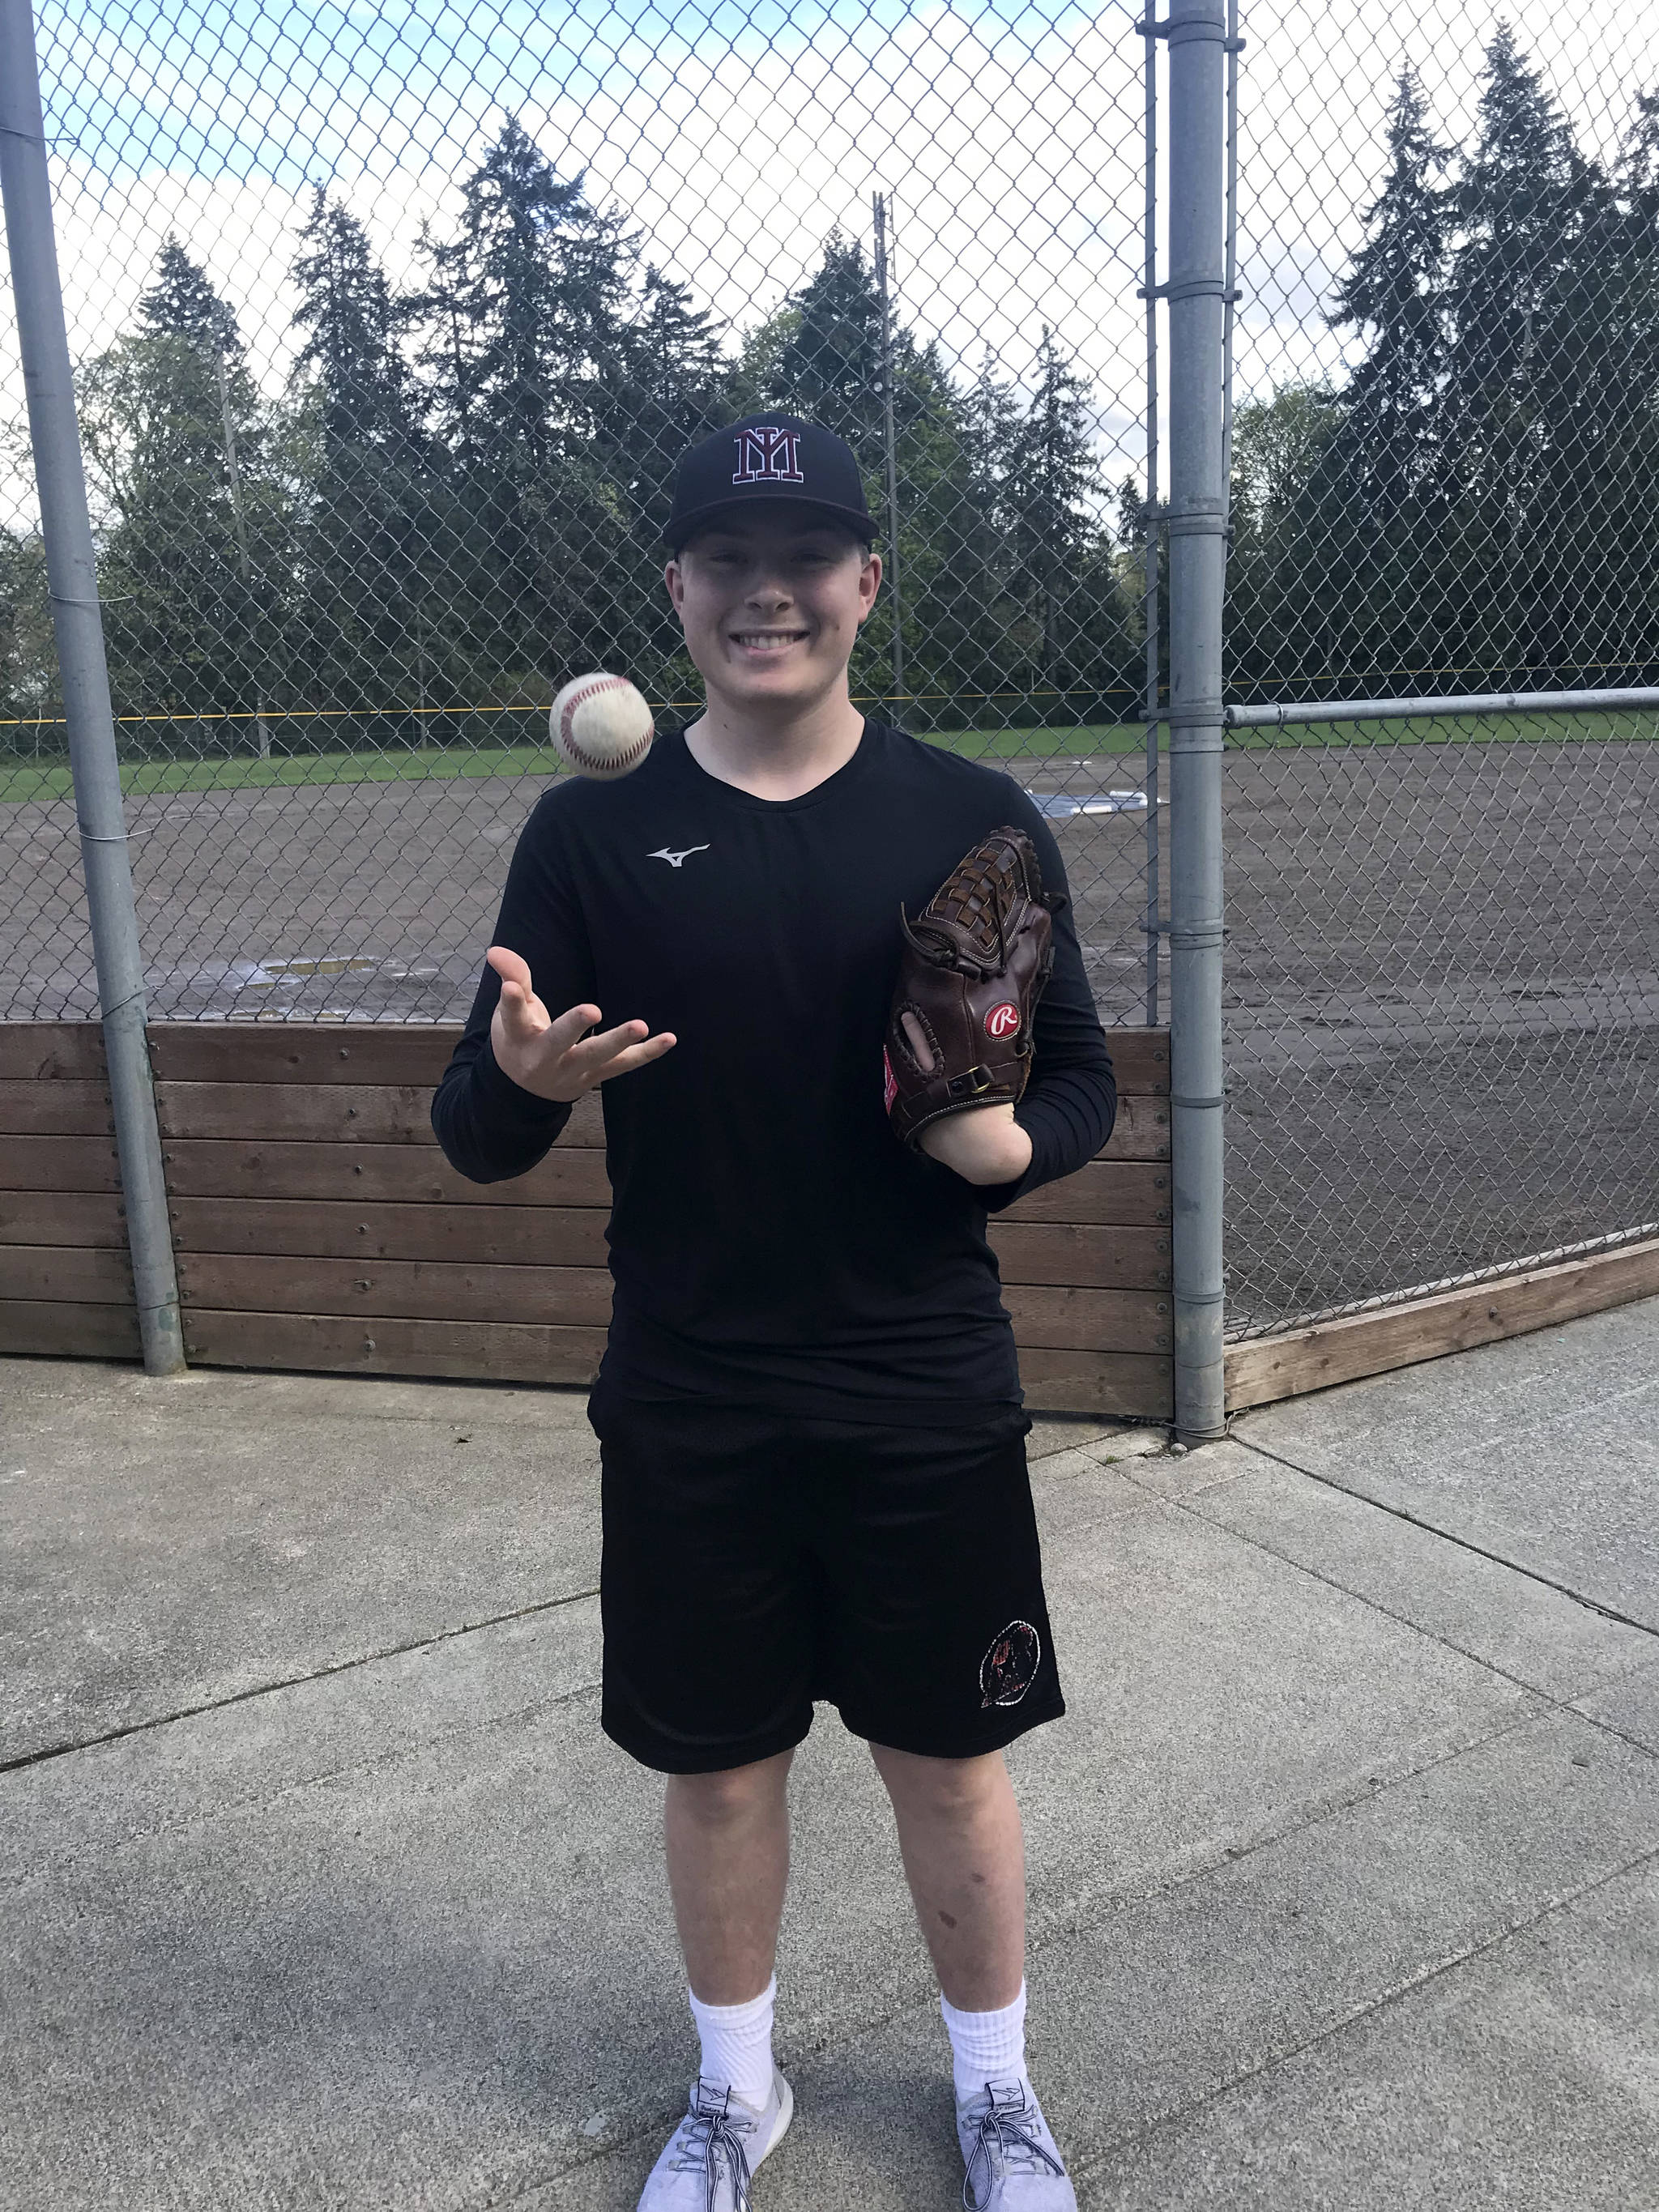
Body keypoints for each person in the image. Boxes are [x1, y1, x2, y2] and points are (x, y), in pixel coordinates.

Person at [432, 412, 1116, 2210]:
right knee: (719, 1769)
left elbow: (1086, 1078)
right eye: (726, 558)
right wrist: (523, 1077)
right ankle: (735, 2094)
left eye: (804, 556)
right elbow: (475, 1132)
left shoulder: (970, 815)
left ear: (864, 585)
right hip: (692, 1383)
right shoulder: (593, 831)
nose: (767, 592)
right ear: (677, 591)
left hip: (917, 1381)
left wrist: (1007, 1145)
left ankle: (996, 2091)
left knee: (946, 1760)